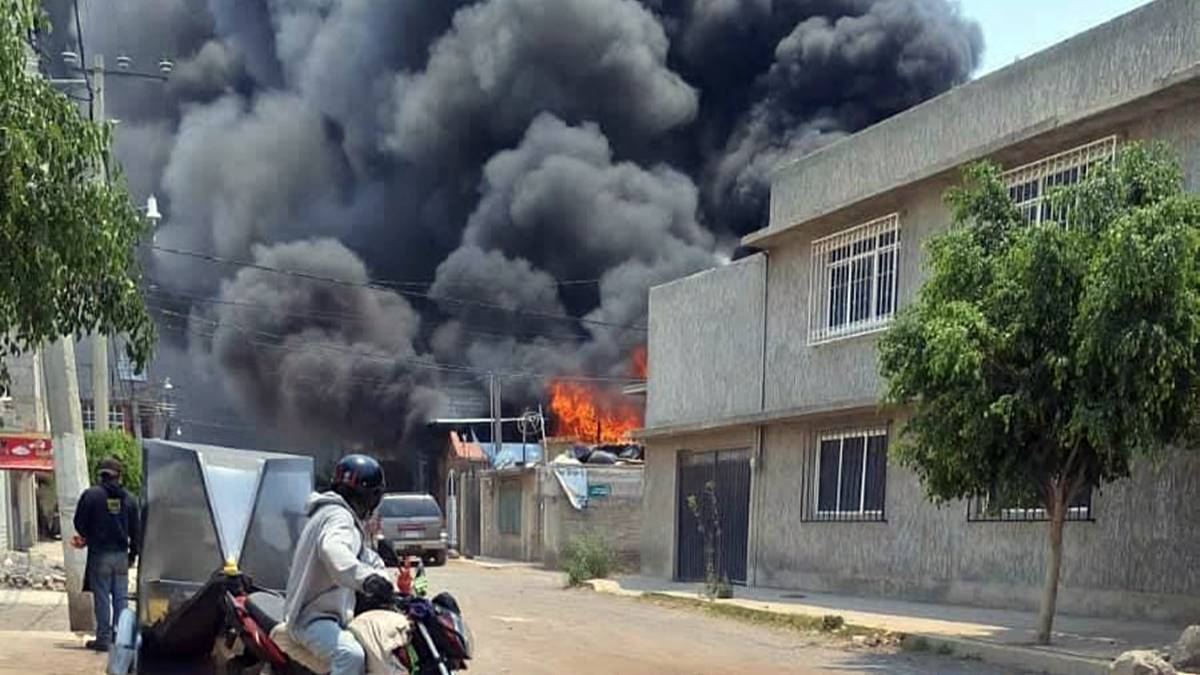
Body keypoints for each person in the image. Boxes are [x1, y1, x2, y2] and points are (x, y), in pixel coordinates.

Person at [284, 454, 395, 675]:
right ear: (369, 496)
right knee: (351, 655)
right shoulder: (338, 517)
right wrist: (366, 580)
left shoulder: (338, 516)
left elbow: (364, 557)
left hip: (330, 616)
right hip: (311, 618)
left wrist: (386, 579)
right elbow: (333, 550)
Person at [73, 457, 140, 652]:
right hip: (121, 555)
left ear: (101, 475)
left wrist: (89, 536)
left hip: (99, 555)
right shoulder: (129, 499)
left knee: (102, 597)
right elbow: (136, 531)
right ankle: (122, 639)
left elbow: (79, 523)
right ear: (118, 477)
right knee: (121, 598)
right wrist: (133, 555)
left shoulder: (91, 496)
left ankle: (103, 638)